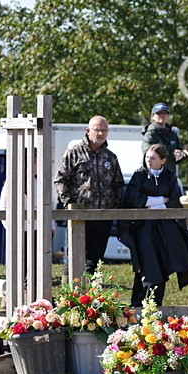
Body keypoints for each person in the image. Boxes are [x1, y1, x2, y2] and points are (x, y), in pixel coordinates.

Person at [119, 144, 188, 305]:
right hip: (143, 229)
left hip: (164, 229)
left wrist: (153, 204)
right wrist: (161, 200)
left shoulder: (170, 176)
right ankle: (136, 306)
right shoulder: (139, 175)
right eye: (147, 157)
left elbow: (174, 200)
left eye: (153, 158)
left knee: (162, 264)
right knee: (145, 264)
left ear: (162, 160)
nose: (148, 160)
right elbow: (133, 198)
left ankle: (156, 306)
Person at [54, 116, 124, 275]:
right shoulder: (74, 153)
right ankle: (70, 297)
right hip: (80, 216)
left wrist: (114, 205)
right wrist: (69, 204)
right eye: (97, 129)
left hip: (103, 216)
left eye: (104, 130)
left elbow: (118, 184)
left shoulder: (110, 157)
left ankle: (91, 297)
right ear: (88, 131)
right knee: (73, 259)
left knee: (95, 260)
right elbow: (60, 180)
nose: (101, 133)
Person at [141, 103, 188, 181]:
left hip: (170, 178)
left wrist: (182, 153)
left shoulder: (172, 134)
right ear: (152, 117)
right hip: (153, 178)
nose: (162, 115)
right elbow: (150, 155)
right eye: (159, 113)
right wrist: (172, 155)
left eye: (164, 113)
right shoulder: (150, 134)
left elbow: (176, 158)